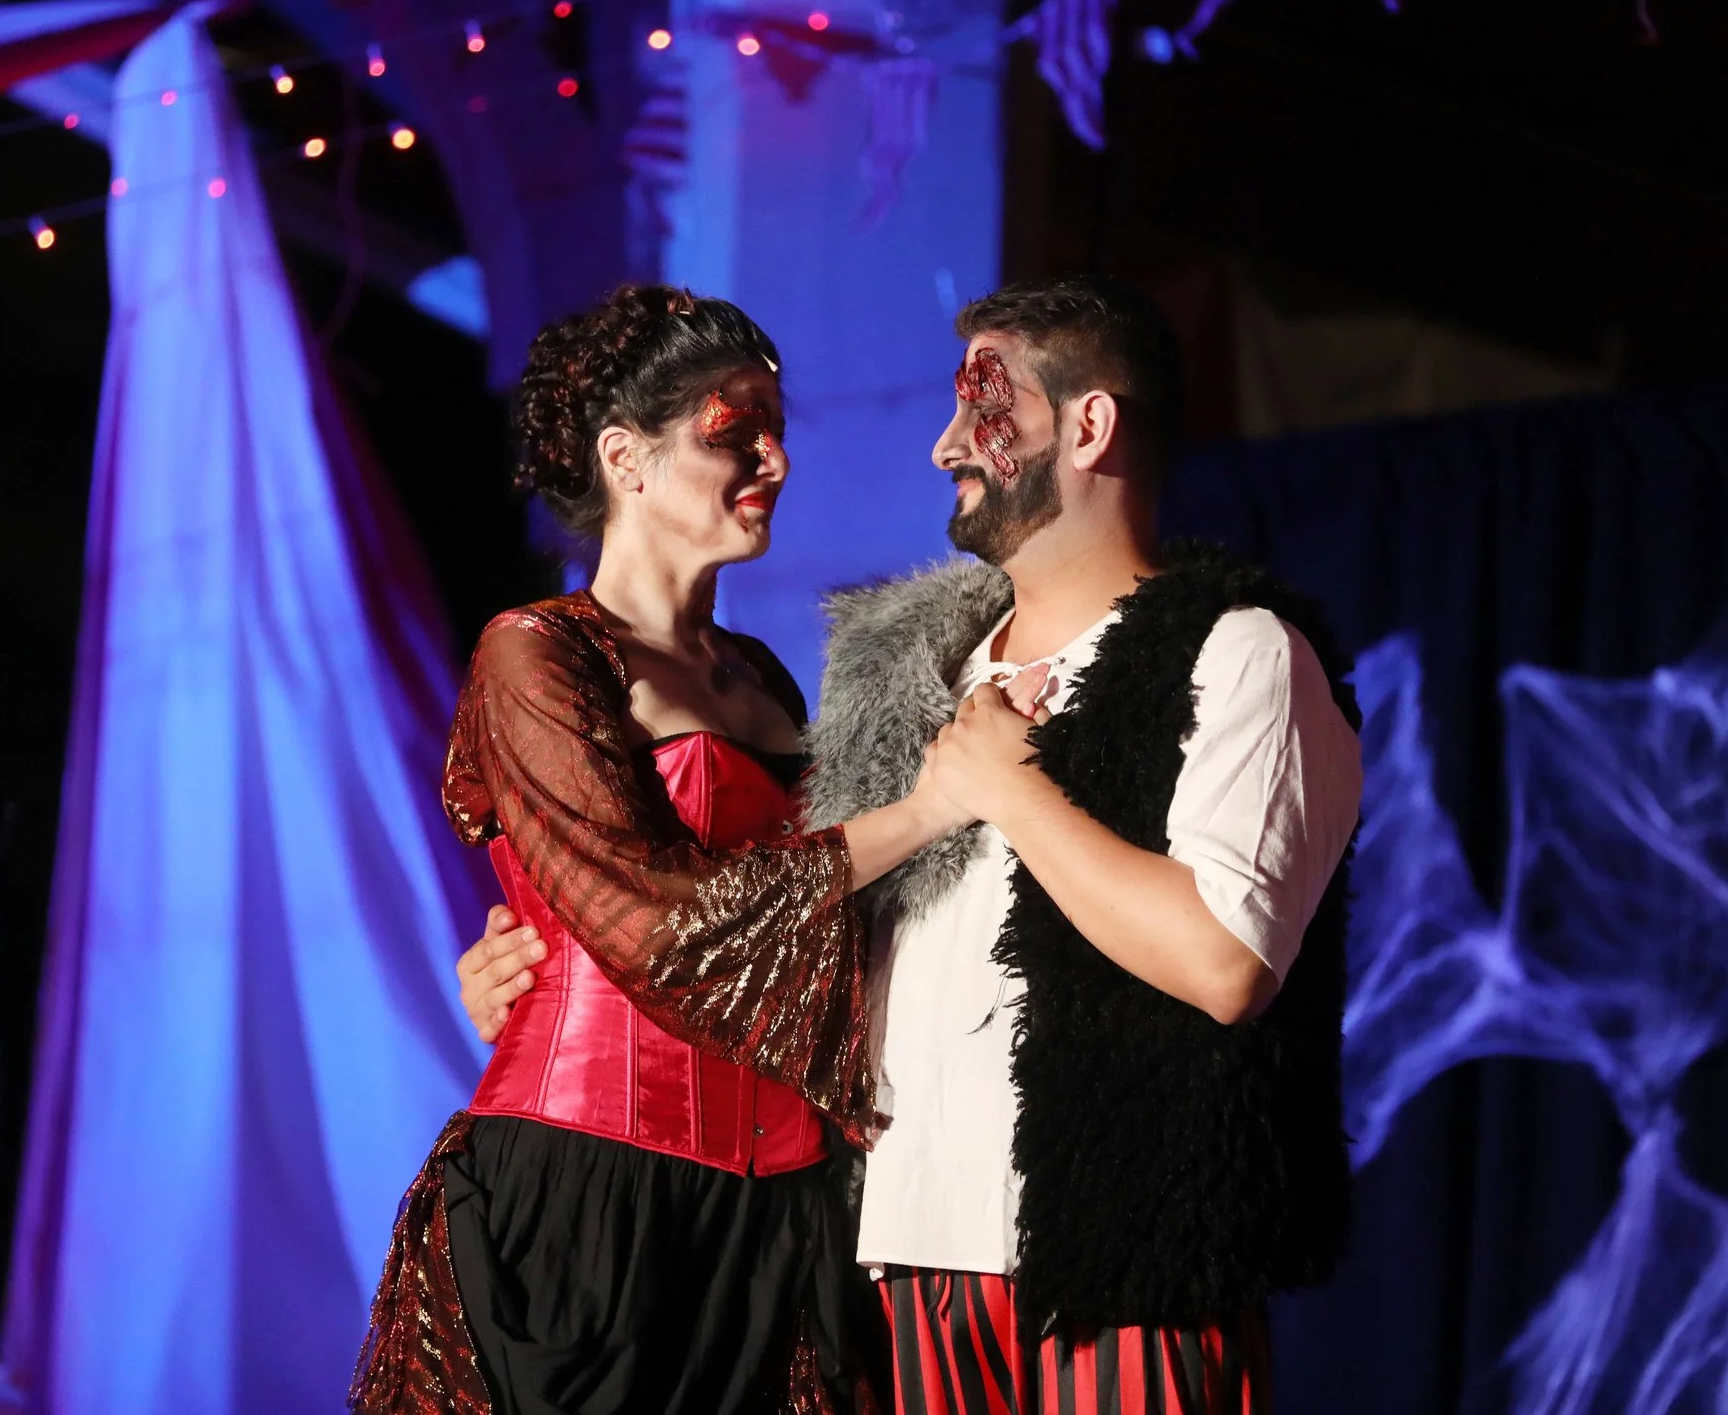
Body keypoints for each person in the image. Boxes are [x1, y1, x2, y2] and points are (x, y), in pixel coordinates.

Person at [459, 277, 1365, 1414]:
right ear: (622, 458)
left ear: (1088, 426)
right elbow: (690, 915)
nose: (942, 445)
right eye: (735, 430)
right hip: (817, 1227)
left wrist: (1004, 792)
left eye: (983, 406)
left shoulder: (1228, 653)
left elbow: (1222, 957)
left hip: (1060, 1242)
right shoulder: (896, 677)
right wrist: (552, 960)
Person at [351, 283, 967, 1415]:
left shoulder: (762, 676)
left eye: (778, 427)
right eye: (735, 430)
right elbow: (657, 926)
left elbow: (815, 927)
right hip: (591, 1189)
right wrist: (929, 807)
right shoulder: (536, 653)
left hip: (777, 1215)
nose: (775, 458)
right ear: (625, 458)